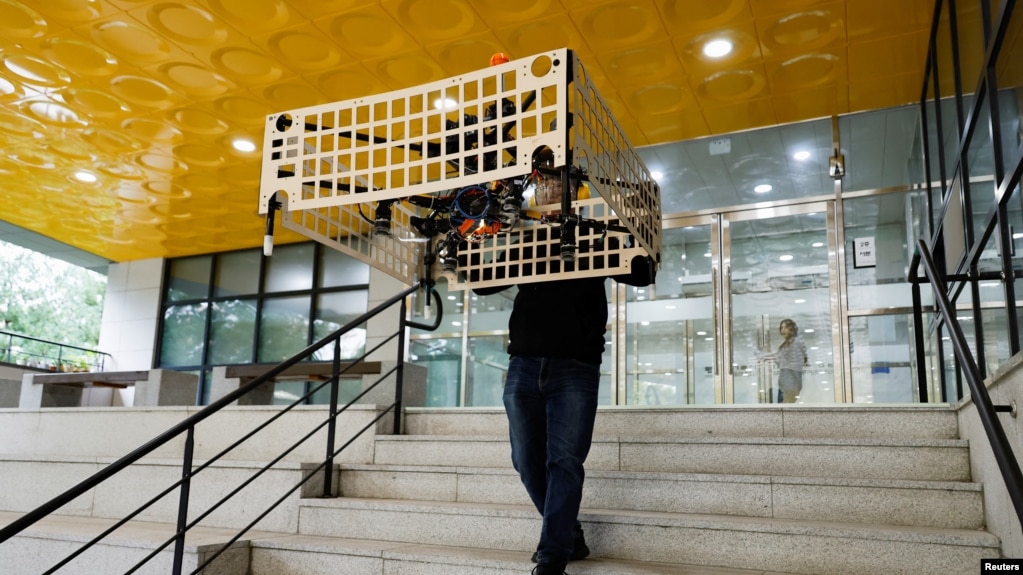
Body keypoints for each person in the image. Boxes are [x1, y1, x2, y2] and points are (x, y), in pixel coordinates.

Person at [473, 236, 655, 575]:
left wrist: (636, 233)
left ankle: (552, 557)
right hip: (524, 364)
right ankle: (569, 536)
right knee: (526, 461)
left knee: (565, 461)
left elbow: (641, 274)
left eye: (558, 182)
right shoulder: (526, 240)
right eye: (544, 183)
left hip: (576, 365)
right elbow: (482, 286)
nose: (550, 190)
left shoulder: (595, 237)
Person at [759, 318, 808, 403]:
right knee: (783, 406)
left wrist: (767, 355)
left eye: (786, 327)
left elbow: (797, 362)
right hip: (785, 379)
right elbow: (780, 362)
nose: (783, 330)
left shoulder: (796, 342)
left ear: (792, 329)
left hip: (791, 378)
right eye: (781, 328)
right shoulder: (786, 344)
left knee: (785, 406)